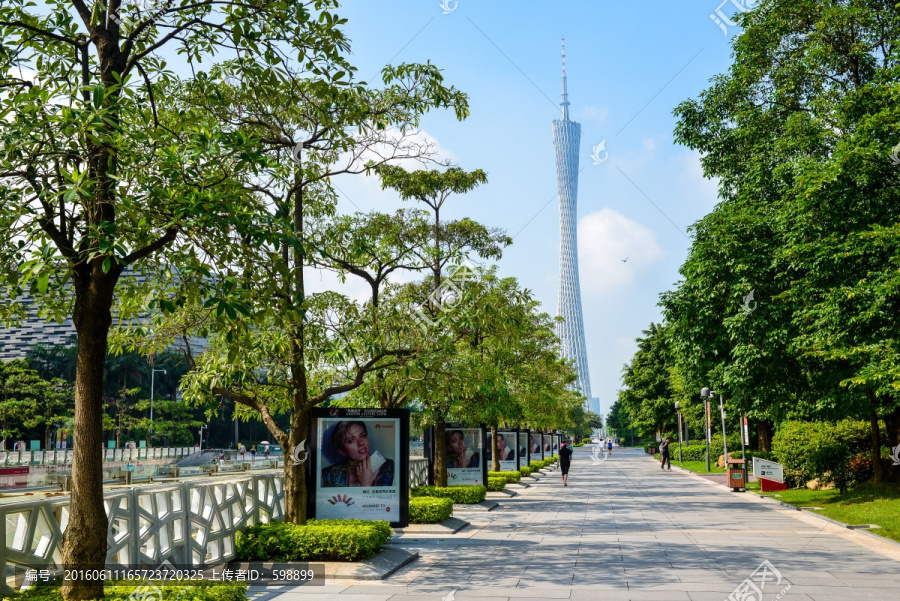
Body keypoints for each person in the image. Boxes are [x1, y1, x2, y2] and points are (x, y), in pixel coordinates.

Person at [322, 421, 395, 487]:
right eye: (351, 441)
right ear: (342, 451)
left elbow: (382, 501)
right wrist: (365, 484)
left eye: (363, 436)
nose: (361, 443)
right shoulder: (328, 475)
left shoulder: (386, 467)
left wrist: (365, 483)